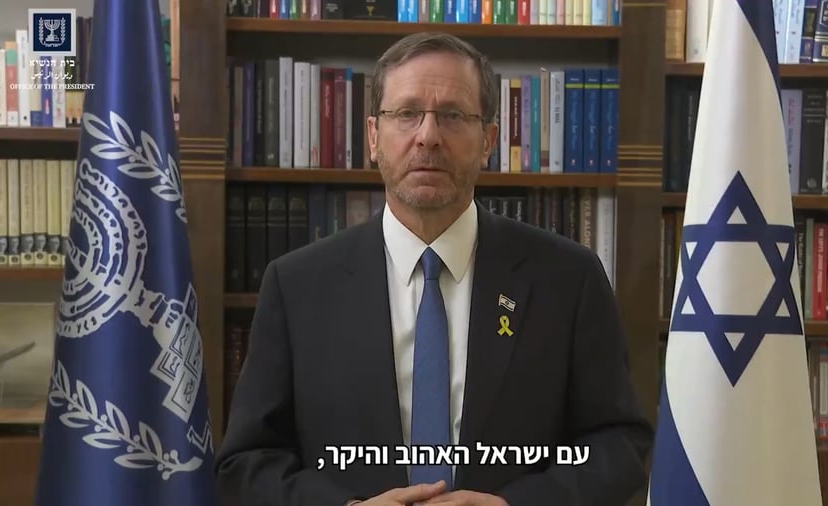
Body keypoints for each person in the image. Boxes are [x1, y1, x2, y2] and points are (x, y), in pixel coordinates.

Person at [214, 31, 654, 506]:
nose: (428, 135)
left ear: (488, 141)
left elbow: (618, 446)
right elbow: (248, 462)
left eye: (452, 116)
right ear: (373, 137)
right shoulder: (297, 286)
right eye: (406, 113)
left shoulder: (569, 278)